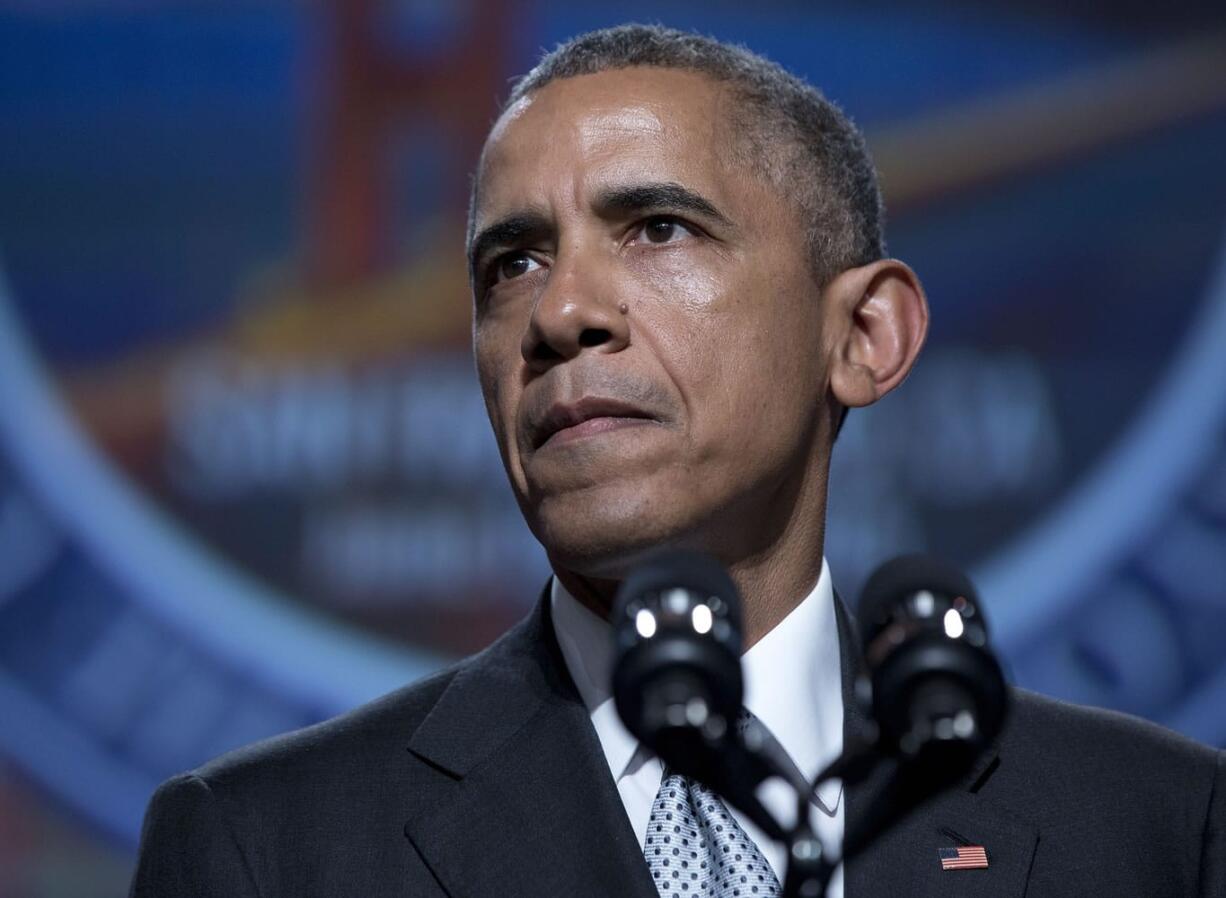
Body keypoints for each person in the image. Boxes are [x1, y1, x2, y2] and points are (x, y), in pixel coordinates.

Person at [130, 24, 1225, 898]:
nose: (557, 313)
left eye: (656, 228)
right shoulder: (264, 852)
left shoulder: (1154, 831)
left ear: (863, 337)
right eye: (509, 264)